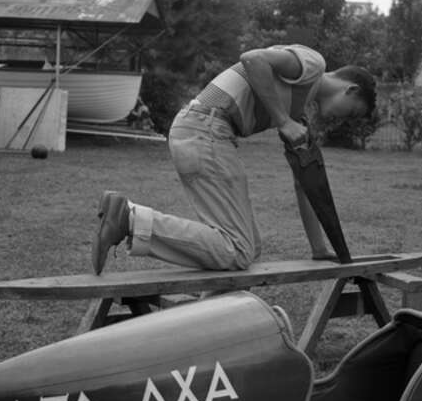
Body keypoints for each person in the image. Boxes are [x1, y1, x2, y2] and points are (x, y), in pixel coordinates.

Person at [92, 44, 376, 274]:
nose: (343, 120)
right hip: (206, 130)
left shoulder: (298, 112)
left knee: (249, 250)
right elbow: (252, 59)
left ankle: (215, 321)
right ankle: (128, 219)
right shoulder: (313, 65)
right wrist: (282, 120)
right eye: (351, 112)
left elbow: (305, 183)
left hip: (201, 130)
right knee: (237, 250)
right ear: (350, 89)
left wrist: (319, 248)